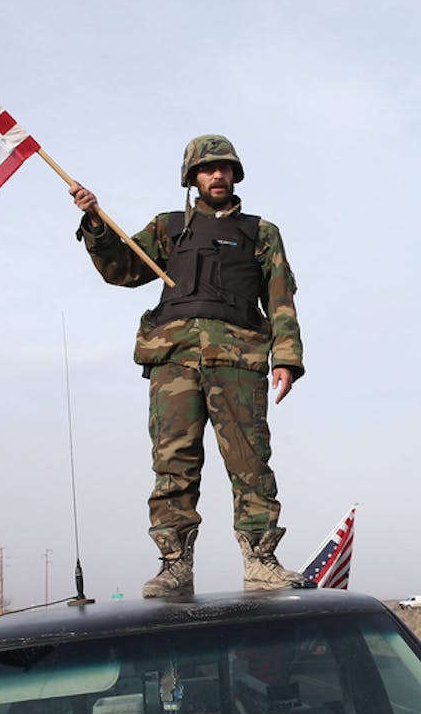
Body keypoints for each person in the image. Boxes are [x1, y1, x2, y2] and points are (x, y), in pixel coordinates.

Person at [69, 134, 310, 597]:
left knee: (250, 462)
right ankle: (174, 564)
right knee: (173, 463)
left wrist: (286, 359)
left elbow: (280, 300)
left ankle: (260, 560)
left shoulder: (261, 233)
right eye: (207, 168)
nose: (216, 175)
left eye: (224, 168)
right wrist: (95, 223)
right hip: (174, 360)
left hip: (238, 360)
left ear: (235, 174)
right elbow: (121, 269)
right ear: (192, 176)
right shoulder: (168, 228)